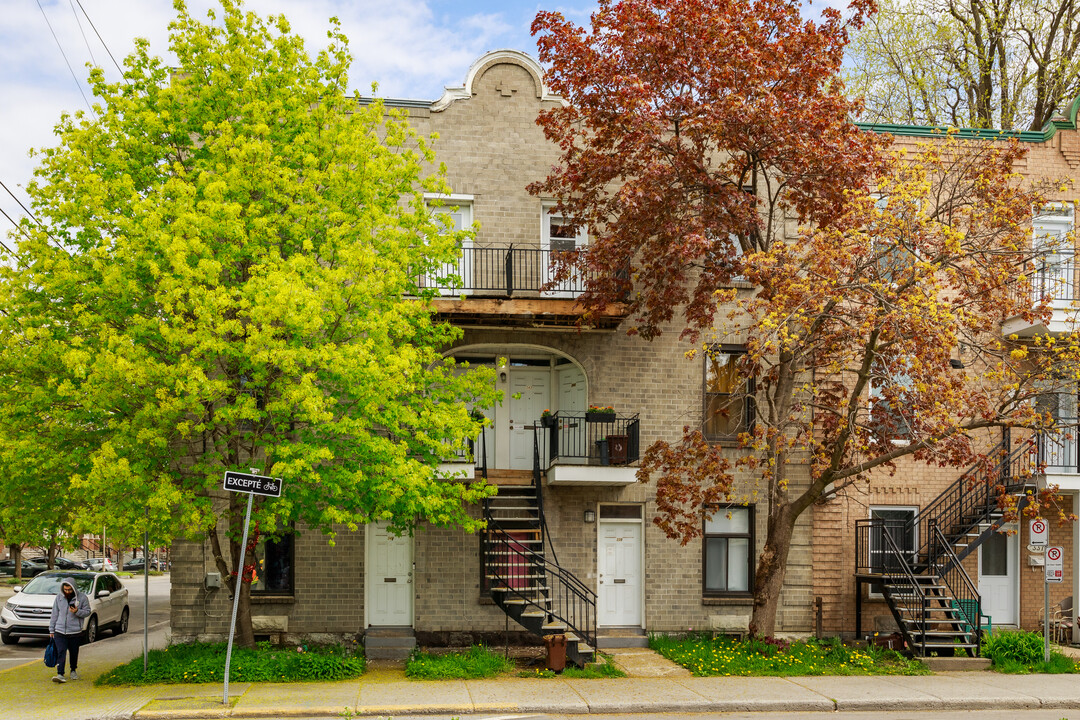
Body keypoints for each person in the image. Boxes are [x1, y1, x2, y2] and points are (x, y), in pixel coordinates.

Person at [49, 578, 90, 683]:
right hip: (60, 630)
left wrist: (77, 611)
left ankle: (73, 670)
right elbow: (54, 614)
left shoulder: (82, 598)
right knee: (61, 651)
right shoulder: (59, 598)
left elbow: (87, 612)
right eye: (65, 590)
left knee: (74, 652)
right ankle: (60, 674)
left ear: (74, 588)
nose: (67, 592)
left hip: (75, 631)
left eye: (69, 590)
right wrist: (51, 630)